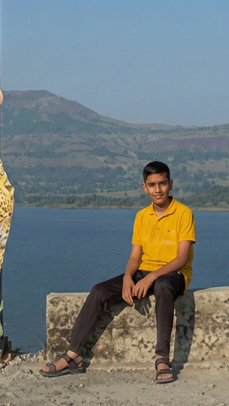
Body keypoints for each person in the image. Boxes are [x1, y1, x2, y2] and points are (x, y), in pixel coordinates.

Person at [40, 161, 195, 384]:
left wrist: (151, 277)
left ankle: (162, 358)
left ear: (170, 184)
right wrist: (128, 278)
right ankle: (73, 355)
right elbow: (135, 257)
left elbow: (181, 258)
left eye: (162, 183)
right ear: (144, 187)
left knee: (162, 285)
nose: (158, 189)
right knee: (99, 291)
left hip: (175, 276)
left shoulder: (183, 213)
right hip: (145, 271)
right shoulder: (142, 216)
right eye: (152, 185)